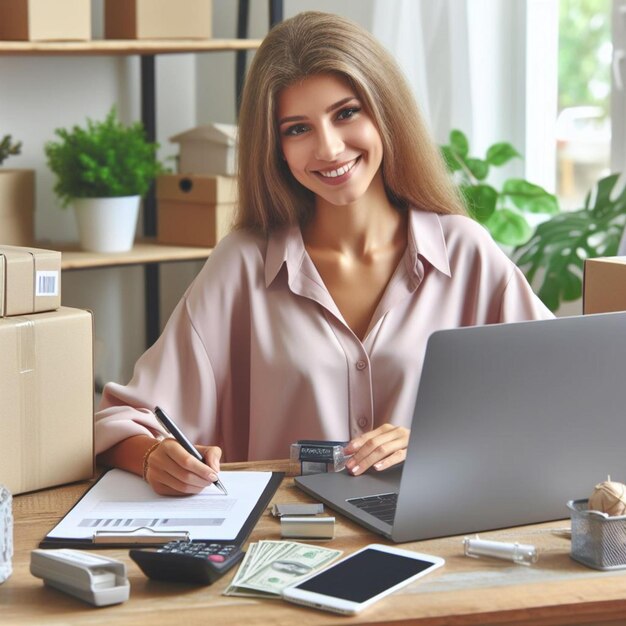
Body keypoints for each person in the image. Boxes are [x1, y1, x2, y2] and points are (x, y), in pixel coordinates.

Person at [95, 11, 553, 496]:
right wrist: (152, 456)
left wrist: (436, 442)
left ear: (384, 112)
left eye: (346, 113)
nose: (330, 149)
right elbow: (124, 418)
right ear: (275, 147)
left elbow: (559, 397)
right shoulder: (242, 265)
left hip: (436, 540)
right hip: (282, 542)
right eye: (298, 129)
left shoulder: (466, 254)